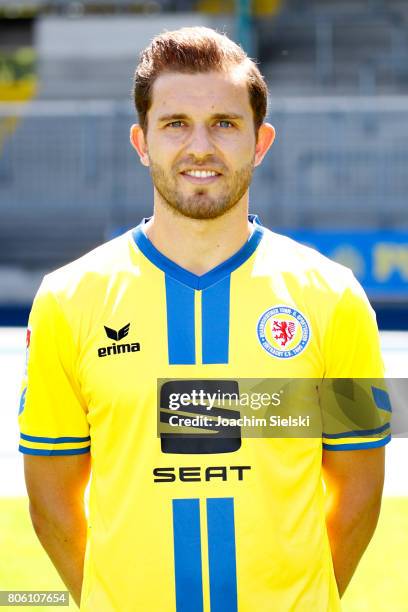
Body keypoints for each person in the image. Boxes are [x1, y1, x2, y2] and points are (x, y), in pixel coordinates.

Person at [19, 27, 390, 611]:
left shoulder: (333, 298)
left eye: (224, 123)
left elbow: (361, 483)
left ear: (260, 141)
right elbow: (51, 494)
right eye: (175, 125)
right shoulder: (69, 299)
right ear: (141, 142)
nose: (200, 148)